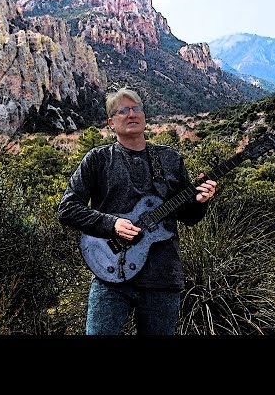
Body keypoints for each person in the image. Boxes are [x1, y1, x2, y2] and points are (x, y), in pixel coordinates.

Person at [57, 87, 217, 335]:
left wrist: (201, 200)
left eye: (136, 109)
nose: (131, 114)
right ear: (111, 122)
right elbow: (67, 208)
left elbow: (189, 218)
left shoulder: (170, 159)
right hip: (110, 274)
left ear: (144, 116)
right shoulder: (97, 159)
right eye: (123, 110)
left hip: (163, 277)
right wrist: (112, 224)